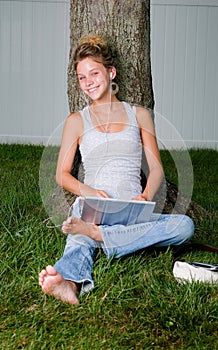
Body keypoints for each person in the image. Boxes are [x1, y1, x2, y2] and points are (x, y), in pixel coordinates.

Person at [39, 34, 194, 305]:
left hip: (131, 211)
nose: (88, 83)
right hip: (93, 207)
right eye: (81, 78)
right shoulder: (76, 121)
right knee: (80, 236)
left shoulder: (139, 115)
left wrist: (145, 196)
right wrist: (89, 191)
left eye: (94, 73)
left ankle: (99, 237)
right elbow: (61, 174)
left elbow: (156, 169)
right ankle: (70, 283)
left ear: (111, 73)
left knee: (184, 225)